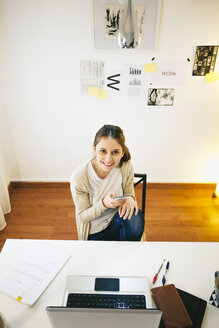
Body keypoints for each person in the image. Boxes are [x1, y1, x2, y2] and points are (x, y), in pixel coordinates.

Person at [70, 124, 145, 241]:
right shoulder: (80, 177)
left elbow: (129, 192)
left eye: (115, 152)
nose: (108, 159)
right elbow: (82, 216)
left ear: (123, 152)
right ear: (94, 149)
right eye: (103, 151)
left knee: (136, 217)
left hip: (118, 220)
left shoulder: (125, 166)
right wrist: (104, 204)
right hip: (95, 232)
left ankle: (126, 252)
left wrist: (131, 198)